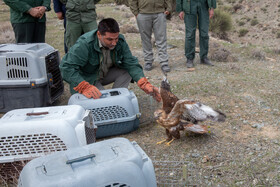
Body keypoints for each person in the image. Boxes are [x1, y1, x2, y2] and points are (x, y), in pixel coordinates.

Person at [60, 18, 161, 102]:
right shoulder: (84, 45)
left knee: (126, 71)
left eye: (116, 38)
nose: (114, 43)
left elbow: (131, 63)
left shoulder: (120, 41)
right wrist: (83, 86)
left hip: (105, 74)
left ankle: (117, 99)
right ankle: (107, 99)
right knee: (102, 102)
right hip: (89, 79)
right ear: (99, 35)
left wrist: (144, 83)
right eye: (110, 39)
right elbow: (66, 68)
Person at [129, 0, 172, 73]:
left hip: (159, 13)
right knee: (145, 39)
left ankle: (164, 62)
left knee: (161, 38)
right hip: (143, 14)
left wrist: (169, 8)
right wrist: (136, 13)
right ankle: (148, 61)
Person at [176, 0, 216, 68]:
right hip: (189, 4)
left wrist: (212, 7)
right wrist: (180, 9)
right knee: (190, 33)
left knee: (204, 33)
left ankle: (204, 57)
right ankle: (189, 58)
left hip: (204, 4)